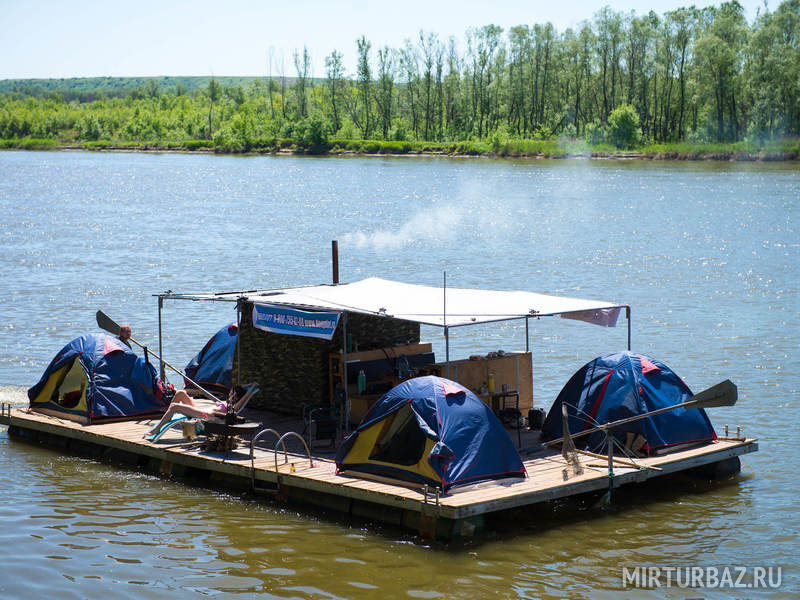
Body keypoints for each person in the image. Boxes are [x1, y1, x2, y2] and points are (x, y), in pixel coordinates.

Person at [144, 383, 258, 439]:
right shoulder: (227, 402)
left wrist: (252, 388)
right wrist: (247, 385)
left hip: (205, 415)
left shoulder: (233, 407)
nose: (229, 393)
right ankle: (166, 417)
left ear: (237, 397)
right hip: (200, 410)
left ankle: (157, 428)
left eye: (232, 393)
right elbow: (239, 388)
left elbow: (244, 398)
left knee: (174, 406)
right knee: (180, 393)